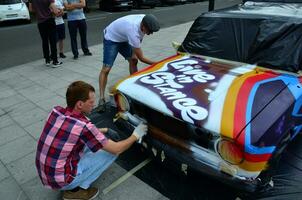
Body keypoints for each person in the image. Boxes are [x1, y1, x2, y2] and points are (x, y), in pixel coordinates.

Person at [35, 81, 147, 200]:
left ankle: (73, 185)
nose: (93, 105)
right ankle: (76, 191)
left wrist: (105, 129)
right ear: (79, 104)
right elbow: (117, 149)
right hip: (62, 180)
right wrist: (136, 134)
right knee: (111, 152)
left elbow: (73, 132)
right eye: (91, 102)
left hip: (46, 173)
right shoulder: (83, 126)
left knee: (93, 143)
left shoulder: (56, 111)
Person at [98, 14, 160, 112]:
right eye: (150, 31)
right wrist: (159, 63)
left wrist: (134, 53)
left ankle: (133, 87)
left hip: (123, 37)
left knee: (133, 60)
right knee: (106, 68)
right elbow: (142, 58)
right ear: (143, 26)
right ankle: (101, 99)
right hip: (111, 37)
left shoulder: (145, 20)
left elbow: (138, 41)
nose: (151, 33)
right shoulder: (133, 30)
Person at [29, 0, 63, 67]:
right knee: (53, 41)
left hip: (40, 22)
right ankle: (55, 61)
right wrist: (60, 11)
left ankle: (47, 60)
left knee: (45, 41)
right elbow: (55, 11)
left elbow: (31, 10)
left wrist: (40, 12)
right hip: (49, 21)